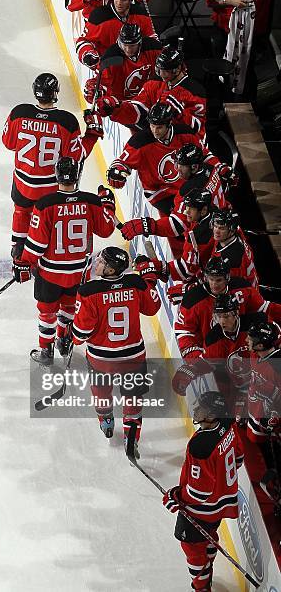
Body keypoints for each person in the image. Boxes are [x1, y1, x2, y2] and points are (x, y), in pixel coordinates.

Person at [12, 157, 115, 365]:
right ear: (77, 175)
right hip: (79, 272)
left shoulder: (44, 205)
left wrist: (24, 263)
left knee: (46, 311)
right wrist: (107, 206)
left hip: (50, 273)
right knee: (69, 308)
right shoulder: (91, 201)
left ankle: (46, 350)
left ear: (56, 175)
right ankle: (64, 340)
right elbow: (106, 230)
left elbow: (36, 245)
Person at [2, 72, 103, 258]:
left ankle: (18, 250)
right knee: (45, 219)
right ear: (56, 92)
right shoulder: (66, 121)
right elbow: (77, 156)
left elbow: (8, 143)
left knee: (21, 211)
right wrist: (92, 135)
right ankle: (44, 252)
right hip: (49, 186)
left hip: (22, 182)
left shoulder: (19, 113)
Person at [72, 247, 161, 455]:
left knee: (101, 390)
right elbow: (152, 307)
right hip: (133, 355)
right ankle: (132, 436)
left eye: (103, 262)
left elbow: (81, 333)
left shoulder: (89, 291)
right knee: (133, 397)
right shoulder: (136, 284)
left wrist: (71, 332)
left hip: (102, 357)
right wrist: (149, 279)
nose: (98, 264)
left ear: (111, 270)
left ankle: (106, 419)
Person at [163, 391, 244, 591]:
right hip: (220, 506)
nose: (197, 410)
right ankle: (208, 561)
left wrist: (176, 496)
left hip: (201, 511)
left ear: (213, 415)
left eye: (203, 409)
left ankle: (201, 586)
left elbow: (199, 494)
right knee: (207, 536)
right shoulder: (228, 425)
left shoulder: (201, 446)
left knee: (191, 547)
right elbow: (239, 457)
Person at [107, 103, 219, 217]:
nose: (155, 131)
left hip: (186, 186)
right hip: (159, 194)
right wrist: (116, 172)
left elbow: (204, 154)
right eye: (152, 126)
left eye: (159, 127)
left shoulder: (185, 133)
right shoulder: (140, 142)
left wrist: (220, 167)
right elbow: (121, 162)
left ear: (169, 124)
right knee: (183, 219)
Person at [174, 257, 280, 359]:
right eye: (211, 279)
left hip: (244, 346)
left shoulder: (242, 287)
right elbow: (184, 332)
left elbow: (265, 310)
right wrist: (197, 359)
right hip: (212, 351)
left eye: (219, 280)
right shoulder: (193, 299)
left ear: (227, 277)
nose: (214, 284)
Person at [97, 45, 207, 140]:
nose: (161, 74)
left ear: (177, 69)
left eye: (165, 71)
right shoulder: (154, 83)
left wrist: (179, 114)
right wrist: (116, 108)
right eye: (159, 70)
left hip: (182, 147)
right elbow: (138, 109)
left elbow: (198, 130)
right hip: (159, 140)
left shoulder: (195, 92)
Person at [76, 0, 157, 70]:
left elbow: (151, 39)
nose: (119, 3)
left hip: (134, 66)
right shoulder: (99, 17)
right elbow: (83, 41)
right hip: (108, 67)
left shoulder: (141, 14)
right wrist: (87, 54)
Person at [83, 24, 162, 105]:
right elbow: (100, 82)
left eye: (132, 46)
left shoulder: (153, 48)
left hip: (149, 101)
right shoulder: (111, 58)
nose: (128, 50)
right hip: (120, 105)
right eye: (125, 45)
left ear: (139, 43)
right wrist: (93, 90)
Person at [246, 321, 281, 444]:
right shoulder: (255, 355)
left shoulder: (276, 367)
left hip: (271, 426)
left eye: (250, 339)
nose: (246, 340)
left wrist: (275, 417)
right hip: (256, 417)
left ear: (260, 346)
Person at [210, 208, 258, 287]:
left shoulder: (231, 257)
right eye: (215, 226)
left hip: (243, 292)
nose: (216, 231)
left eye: (222, 228)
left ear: (232, 231)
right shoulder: (236, 234)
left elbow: (226, 285)